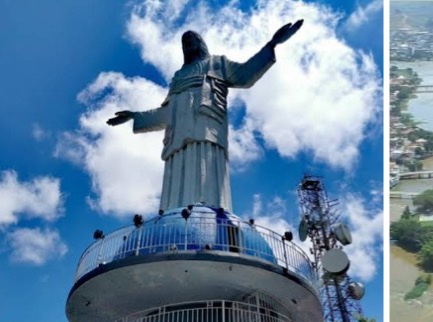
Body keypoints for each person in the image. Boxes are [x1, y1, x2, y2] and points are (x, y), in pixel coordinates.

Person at [107, 21, 303, 211]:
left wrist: (272, 44)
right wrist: (135, 116)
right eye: (184, 42)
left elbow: (245, 74)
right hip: (177, 139)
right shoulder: (178, 77)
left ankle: (213, 214)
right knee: (178, 176)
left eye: (191, 39)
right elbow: (167, 112)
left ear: (200, 43)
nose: (187, 44)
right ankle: (174, 215)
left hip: (208, 129)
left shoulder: (217, 64)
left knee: (207, 172)